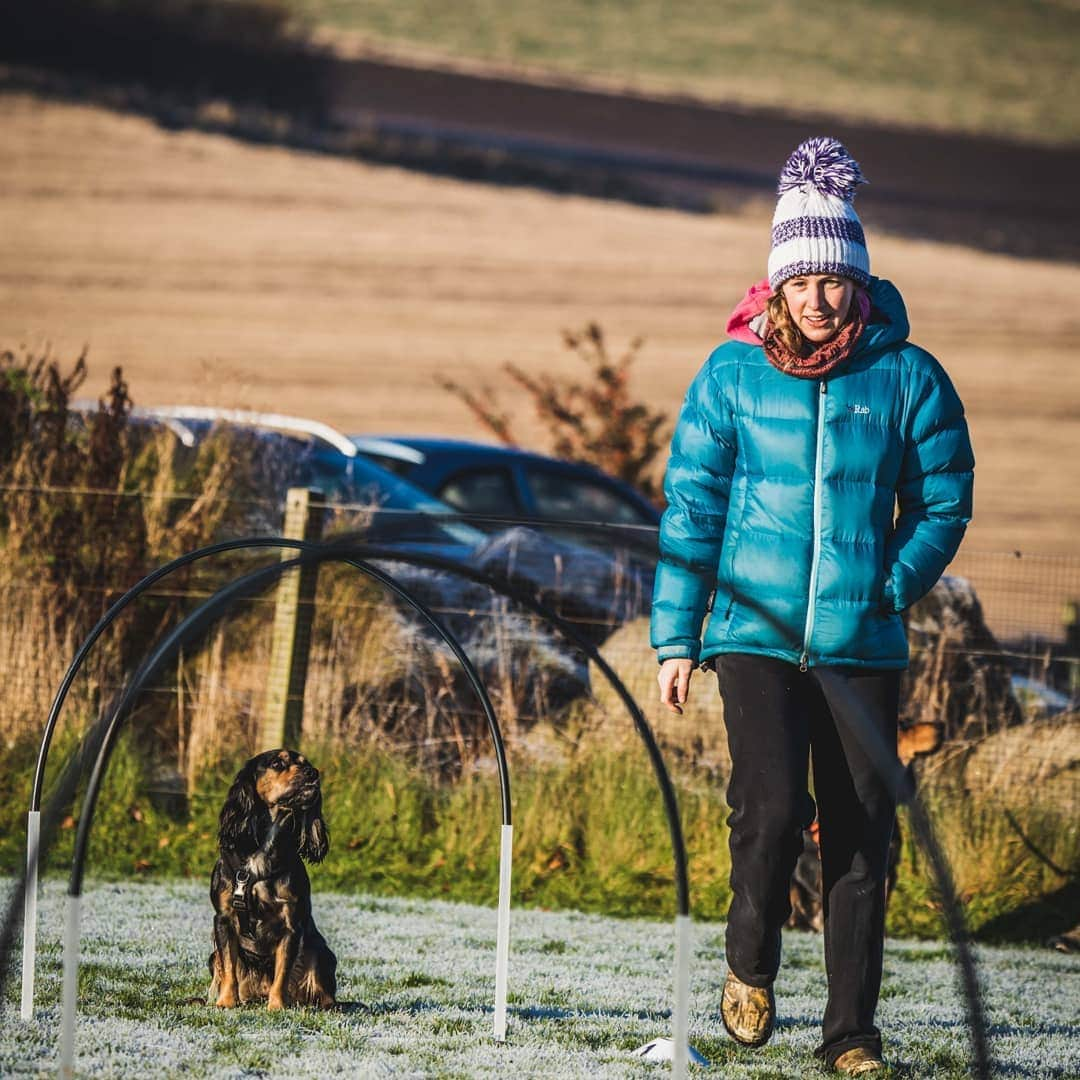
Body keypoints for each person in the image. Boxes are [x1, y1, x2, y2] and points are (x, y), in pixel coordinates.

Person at [650, 136, 974, 1076]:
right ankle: (749, 963)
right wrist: (678, 635)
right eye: (803, 281)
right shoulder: (730, 375)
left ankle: (851, 1034)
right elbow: (692, 507)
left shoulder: (908, 377)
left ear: (858, 281)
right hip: (751, 631)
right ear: (778, 286)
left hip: (861, 641)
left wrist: (893, 582)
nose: (820, 297)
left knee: (863, 833)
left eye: (835, 279)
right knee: (770, 808)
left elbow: (945, 498)